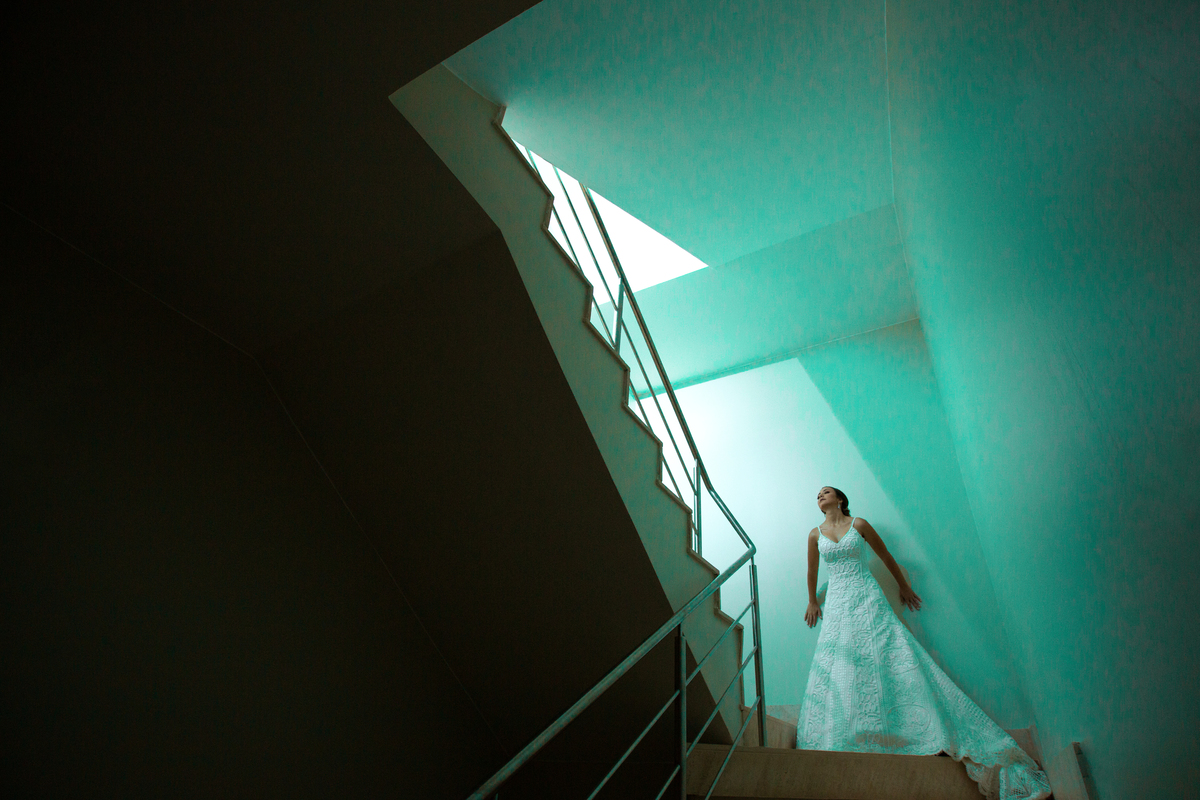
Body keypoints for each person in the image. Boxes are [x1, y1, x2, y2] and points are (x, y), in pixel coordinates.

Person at [797, 486, 1051, 800]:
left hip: (866, 596)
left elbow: (885, 556)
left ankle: (901, 724)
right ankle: (850, 732)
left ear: (840, 499)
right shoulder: (814, 534)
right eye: (817, 495)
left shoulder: (858, 524)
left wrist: (904, 587)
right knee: (842, 662)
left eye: (826, 492)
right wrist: (812, 601)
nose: (820, 496)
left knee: (886, 653)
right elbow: (812, 570)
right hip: (837, 603)